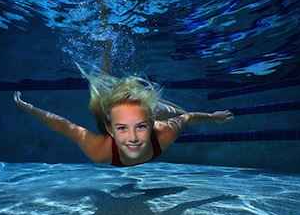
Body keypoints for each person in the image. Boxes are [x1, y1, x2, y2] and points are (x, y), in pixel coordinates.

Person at [14, 63, 233, 167]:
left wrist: (213, 116)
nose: (133, 138)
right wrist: (28, 107)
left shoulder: (164, 132)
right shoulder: (100, 150)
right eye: (121, 129)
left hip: (151, 115)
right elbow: (65, 126)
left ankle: (149, 104)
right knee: (101, 88)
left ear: (151, 123)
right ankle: (107, 52)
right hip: (115, 117)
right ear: (110, 129)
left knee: (179, 112)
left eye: (141, 127)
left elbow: (189, 117)